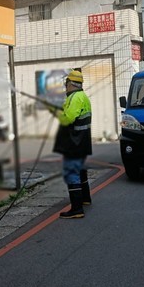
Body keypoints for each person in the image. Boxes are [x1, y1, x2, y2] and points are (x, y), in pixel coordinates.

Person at [49, 69, 92, 219]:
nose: (65, 86)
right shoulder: (82, 97)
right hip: (82, 141)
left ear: (71, 84)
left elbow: (68, 119)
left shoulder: (75, 98)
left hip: (74, 142)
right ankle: (85, 198)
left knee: (72, 172)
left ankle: (77, 208)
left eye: (66, 83)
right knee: (81, 170)